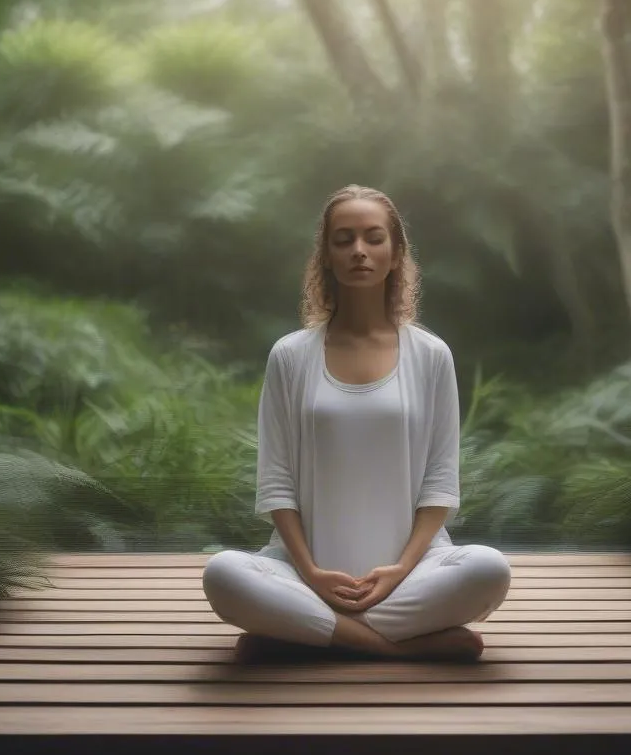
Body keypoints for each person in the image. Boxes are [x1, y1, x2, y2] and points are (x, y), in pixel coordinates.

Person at [203, 184, 511, 662]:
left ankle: (298, 632)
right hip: (304, 573)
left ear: (396, 253)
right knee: (223, 575)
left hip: (411, 574)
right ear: (325, 256)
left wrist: (399, 571)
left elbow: (439, 485)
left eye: (373, 237)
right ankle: (396, 648)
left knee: (489, 569)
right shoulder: (290, 355)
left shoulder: (431, 356)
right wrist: (309, 574)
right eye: (343, 239)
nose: (359, 251)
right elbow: (277, 482)